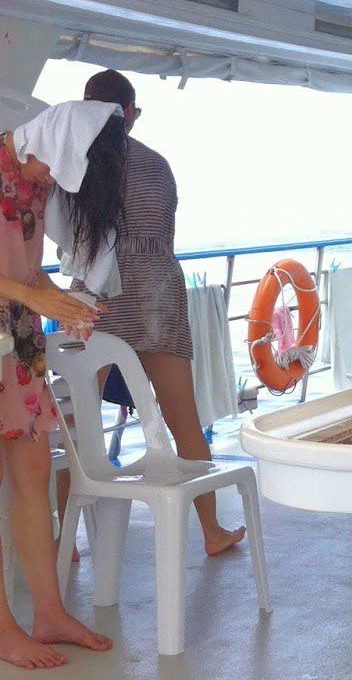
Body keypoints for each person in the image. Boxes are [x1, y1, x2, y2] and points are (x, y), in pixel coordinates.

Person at [78, 71, 244, 556]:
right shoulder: (156, 164)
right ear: (131, 113)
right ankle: (211, 531)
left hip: (95, 293)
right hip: (156, 292)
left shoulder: (77, 163)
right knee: (184, 419)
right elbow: (161, 229)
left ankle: (62, 539)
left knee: (78, 421)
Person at [0, 101, 125, 667]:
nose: (53, 182)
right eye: (57, 170)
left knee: (33, 475)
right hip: (13, 330)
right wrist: (36, 296)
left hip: (18, 344)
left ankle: (48, 613)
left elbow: (23, 269)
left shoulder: (33, 184)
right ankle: (3, 629)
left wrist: (64, 300)